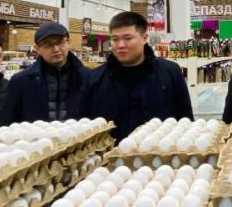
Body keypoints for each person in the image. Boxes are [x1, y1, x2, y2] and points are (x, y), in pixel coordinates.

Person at [76, 11, 193, 141]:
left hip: (160, 151)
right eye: (115, 39)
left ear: (144, 38)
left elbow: (185, 120)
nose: (120, 45)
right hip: (110, 153)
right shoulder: (94, 79)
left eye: (128, 38)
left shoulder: (170, 73)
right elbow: (83, 126)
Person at [2, 22, 91, 124]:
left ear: (69, 43)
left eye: (60, 42)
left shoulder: (88, 78)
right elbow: (9, 122)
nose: (56, 49)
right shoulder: (21, 81)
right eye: (48, 44)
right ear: (37, 49)